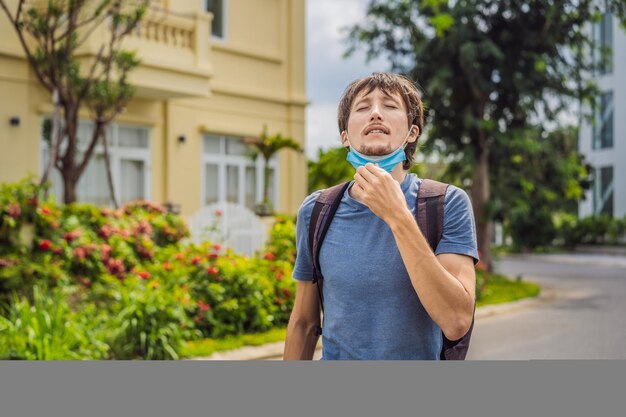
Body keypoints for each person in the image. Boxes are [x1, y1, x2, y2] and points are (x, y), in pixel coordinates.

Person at [283, 72, 479, 360]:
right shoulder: (316, 210)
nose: (375, 113)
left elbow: (456, 321)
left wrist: (397, 215)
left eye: (389, 106)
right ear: (345, 137)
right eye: (362, 108)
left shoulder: (447, 203)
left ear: (412, 132)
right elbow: (303, 323)